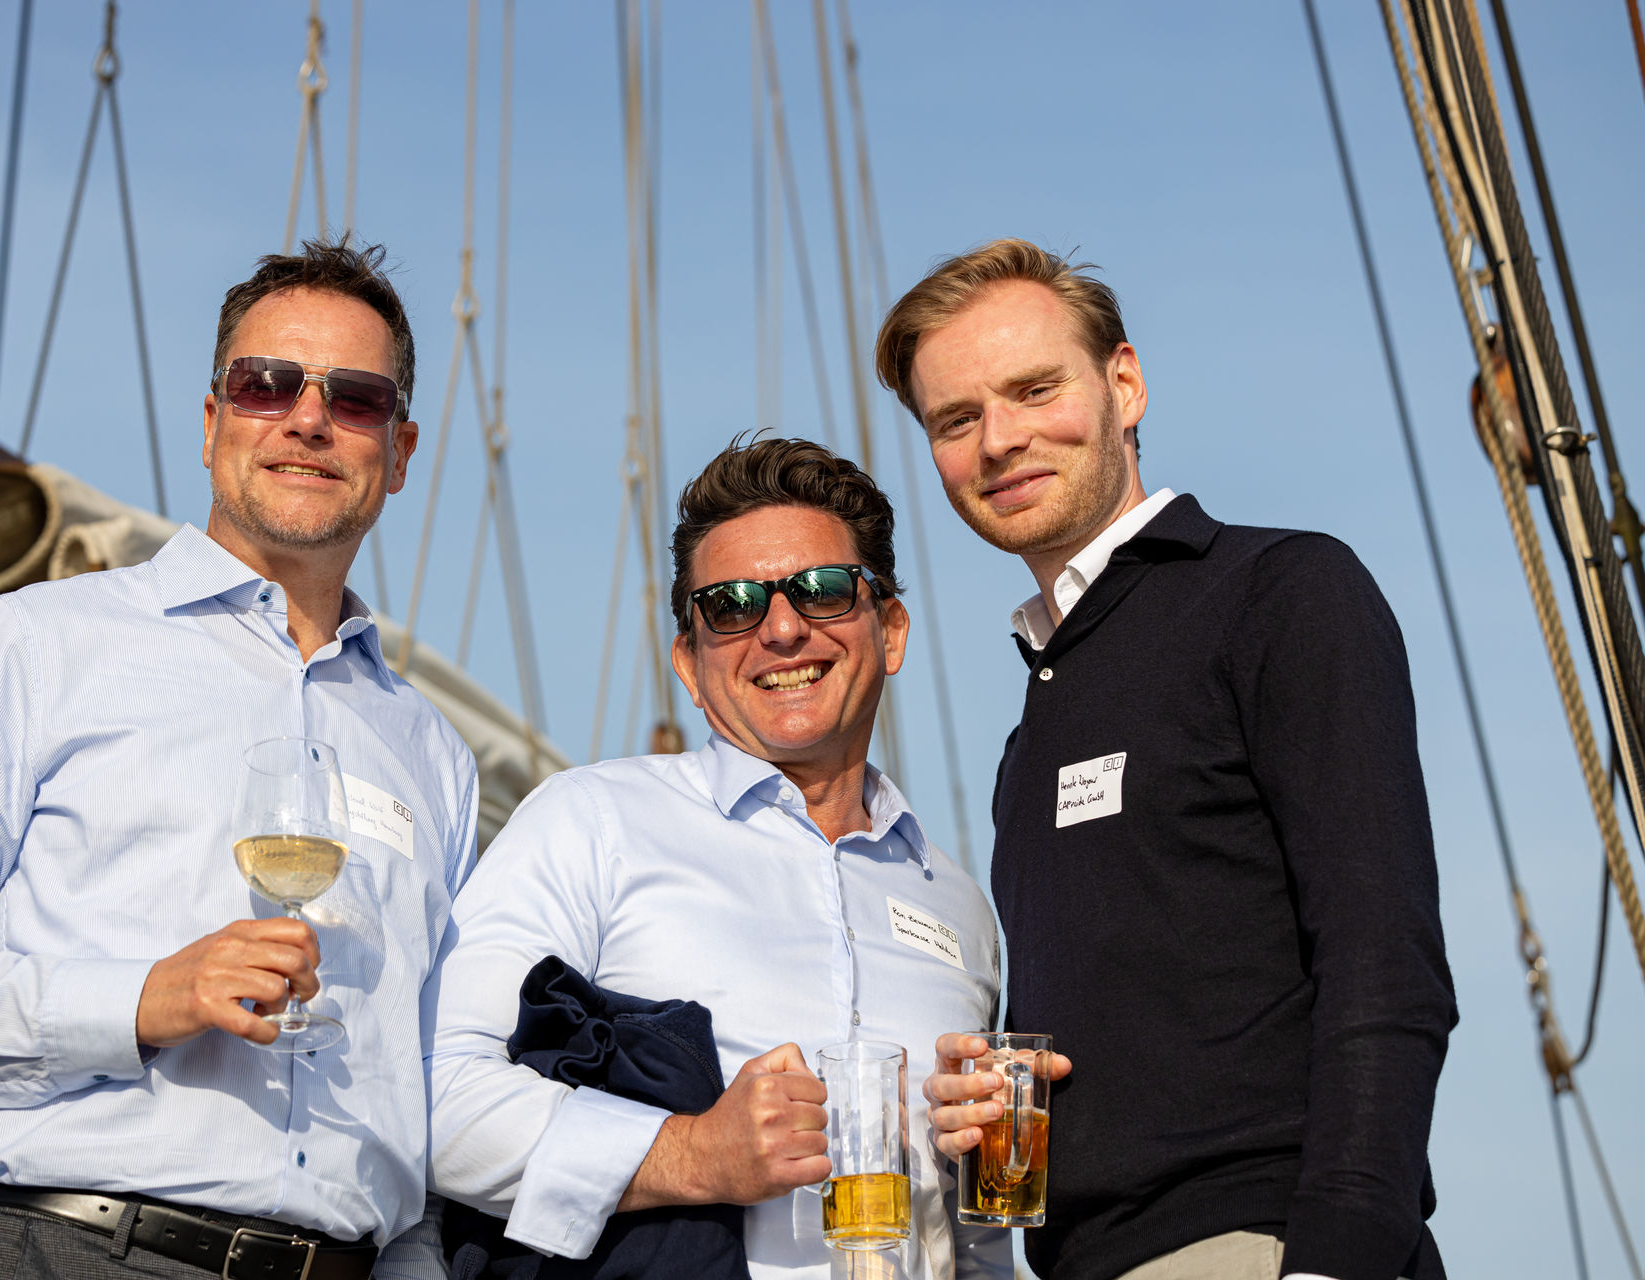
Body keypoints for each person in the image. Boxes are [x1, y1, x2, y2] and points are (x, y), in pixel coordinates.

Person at [0, 237, 479, 1280]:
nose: (307, 418)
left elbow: (423, 1090)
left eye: (355, 398)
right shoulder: (35, 645)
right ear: (212, 422)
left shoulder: (434, 756)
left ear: (401, 446)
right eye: (266, 384)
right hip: (56, 1245)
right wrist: (139, 1000)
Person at [872, 239, 1458, 1280]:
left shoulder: (1280, 593)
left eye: (1034, 390)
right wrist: (986, 1111)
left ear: (1125, 386)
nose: (999, 439)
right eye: (956, 420)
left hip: (1263, 1243)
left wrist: (1337, 1258)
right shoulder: (1031, 738)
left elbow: (1385, 962)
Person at [423, 438, 1013, 1280]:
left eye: (822, 590)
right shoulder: (593, 822)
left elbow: (975, 1241)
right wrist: (692, 1154)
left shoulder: (958, 907)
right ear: (689, 666)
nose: (782, 628)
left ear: (889, 630)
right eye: (732, 605)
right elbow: (436, 1093)